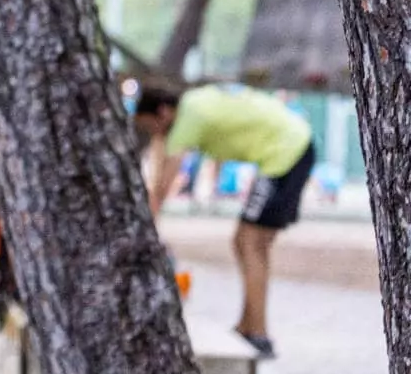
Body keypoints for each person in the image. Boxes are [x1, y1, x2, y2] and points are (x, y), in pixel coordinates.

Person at [133, 84, 316, 359]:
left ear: (163, 112)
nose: (154, 135)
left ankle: (258, 333)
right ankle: (249, 326)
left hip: (286, 153)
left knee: (251, 242)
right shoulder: (192, 104)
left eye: (152, 128)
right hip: (289, 148)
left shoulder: (187, 120)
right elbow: (160, 167)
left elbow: (161, 187)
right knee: (247, 242)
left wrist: (145, 233)